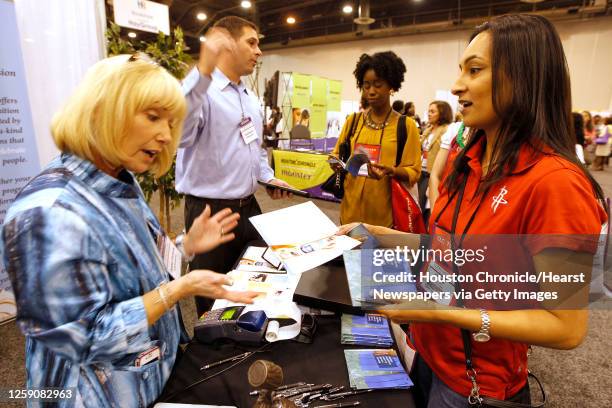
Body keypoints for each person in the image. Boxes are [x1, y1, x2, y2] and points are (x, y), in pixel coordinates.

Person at [338, 14, 606, 406]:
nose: (456, 85)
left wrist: (446, 314)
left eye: (474, 70)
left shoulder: (557, 183)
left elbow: (566, 327)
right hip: (427, 353)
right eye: (460, 70)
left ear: (524, 76)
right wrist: (377, 232)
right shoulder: (471, 160)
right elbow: (448, 247)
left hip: (473, 385)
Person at [0, 54, 259, 408]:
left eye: (170, 122)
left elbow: (135, 267)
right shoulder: (50, 213)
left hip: (148, 379)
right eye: (153, 117)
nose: (166, 135)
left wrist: (186, 246)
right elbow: (83, 337)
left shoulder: (118, 180)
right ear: (104, 110)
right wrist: (179, 288)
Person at [176, 16, 292, 315]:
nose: (259, 51)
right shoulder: (202, 92)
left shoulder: (249, 98)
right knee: (213, 300)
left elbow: (254, 148)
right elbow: (181, 132)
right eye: (251, 42)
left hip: (249, 208)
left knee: (258, 285)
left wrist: (269, 177)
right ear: (226, 43)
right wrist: (202, 70)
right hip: (209, 212)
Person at [330, 51, 421, 227]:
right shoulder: (353, 121)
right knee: (353, 255)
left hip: (385, 218)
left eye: (378, 85)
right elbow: (336, 155)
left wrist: (391, 170)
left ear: (391, 86)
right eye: (366, 85)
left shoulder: (406, 126)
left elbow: (414, 172)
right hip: (350, 212)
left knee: (377, 255)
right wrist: (335, 163)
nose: (371, 91)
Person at [417, 100, 452, 224]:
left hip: (432, 174)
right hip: (420, 172)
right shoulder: (428, 129)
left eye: (433, 111)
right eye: (429, 111)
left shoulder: (446, 131)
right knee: (418, 207)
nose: (429, 114)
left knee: (425, 208)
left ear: (442, 113)